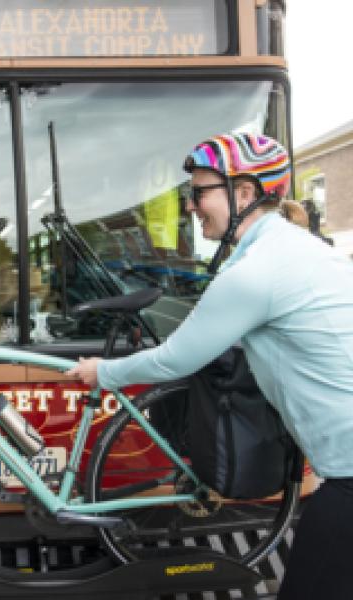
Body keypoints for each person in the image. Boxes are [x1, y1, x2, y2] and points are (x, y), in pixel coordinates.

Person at [66, 133, 353, 600]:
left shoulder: (257, 271)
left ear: (243, 194)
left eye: (198, 193)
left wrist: (104, 371)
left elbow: (178, 358)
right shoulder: (297, 250)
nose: (190, 207)